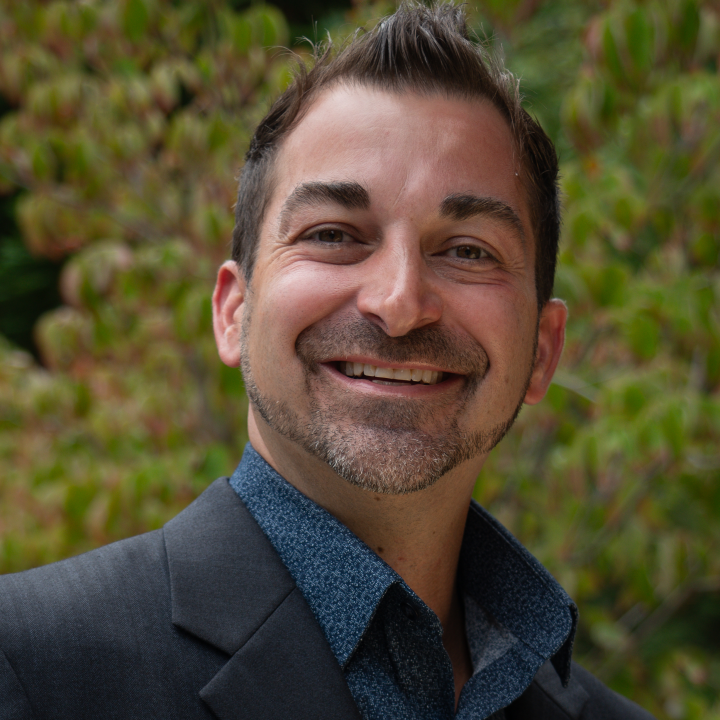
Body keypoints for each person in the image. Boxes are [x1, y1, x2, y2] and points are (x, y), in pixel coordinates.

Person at [0, 3, 655, 719]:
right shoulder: (32, 664)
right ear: (233, 311)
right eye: (335, 234)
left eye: (468, 250)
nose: (400, 302)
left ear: (542, 351)